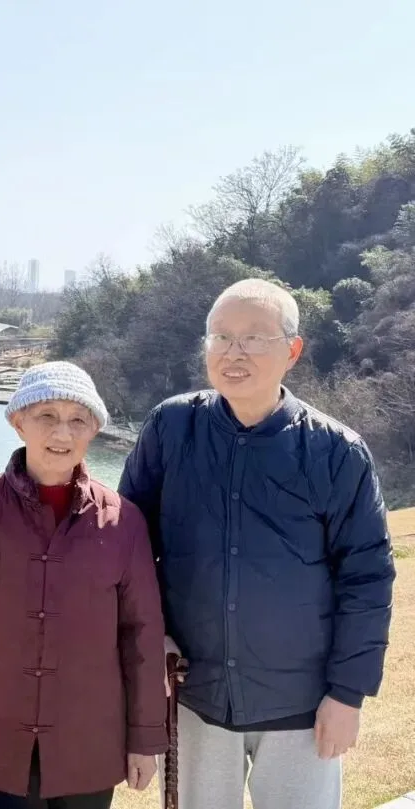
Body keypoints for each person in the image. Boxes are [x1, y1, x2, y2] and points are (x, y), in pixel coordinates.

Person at [118, 278, 396, 809]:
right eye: (220, 337)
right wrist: (152, 639)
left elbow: (367, 580)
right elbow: (128, 548)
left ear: (292, 350)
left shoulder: (337, 452)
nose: (233, 352)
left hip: (303, 703)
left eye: (254, 338)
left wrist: (347, 695)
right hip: (194, 696)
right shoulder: (171, 428)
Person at [0, 361, 169, 809]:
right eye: (47, 415)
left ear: (94, 431)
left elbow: (141, 636)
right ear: (18, 422)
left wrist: (145, 738)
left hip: (87, 742)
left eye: (78, 420)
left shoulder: (123, 522)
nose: (62, 433)